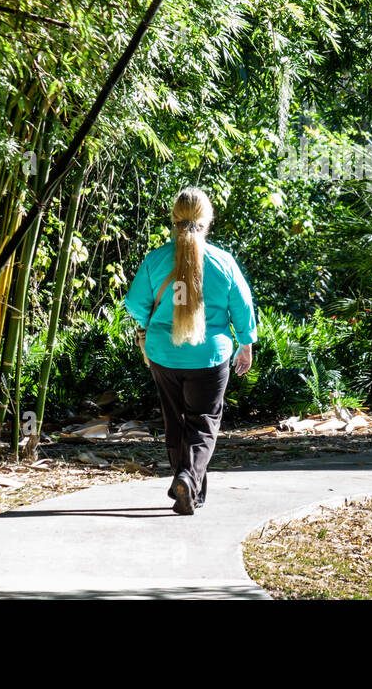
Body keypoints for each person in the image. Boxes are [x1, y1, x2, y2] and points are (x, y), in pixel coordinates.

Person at [126, 187, 258, 514]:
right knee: (203, 422)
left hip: (163, 355)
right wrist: (245, 344)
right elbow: (242, 307)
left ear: (173, 219)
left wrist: (153, 321)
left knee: (176, 422)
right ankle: (188, 479)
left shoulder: (155, 260)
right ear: (207, 221)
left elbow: (134, 304)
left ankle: (189, 487)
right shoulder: (223, 262)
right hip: (209, 356)